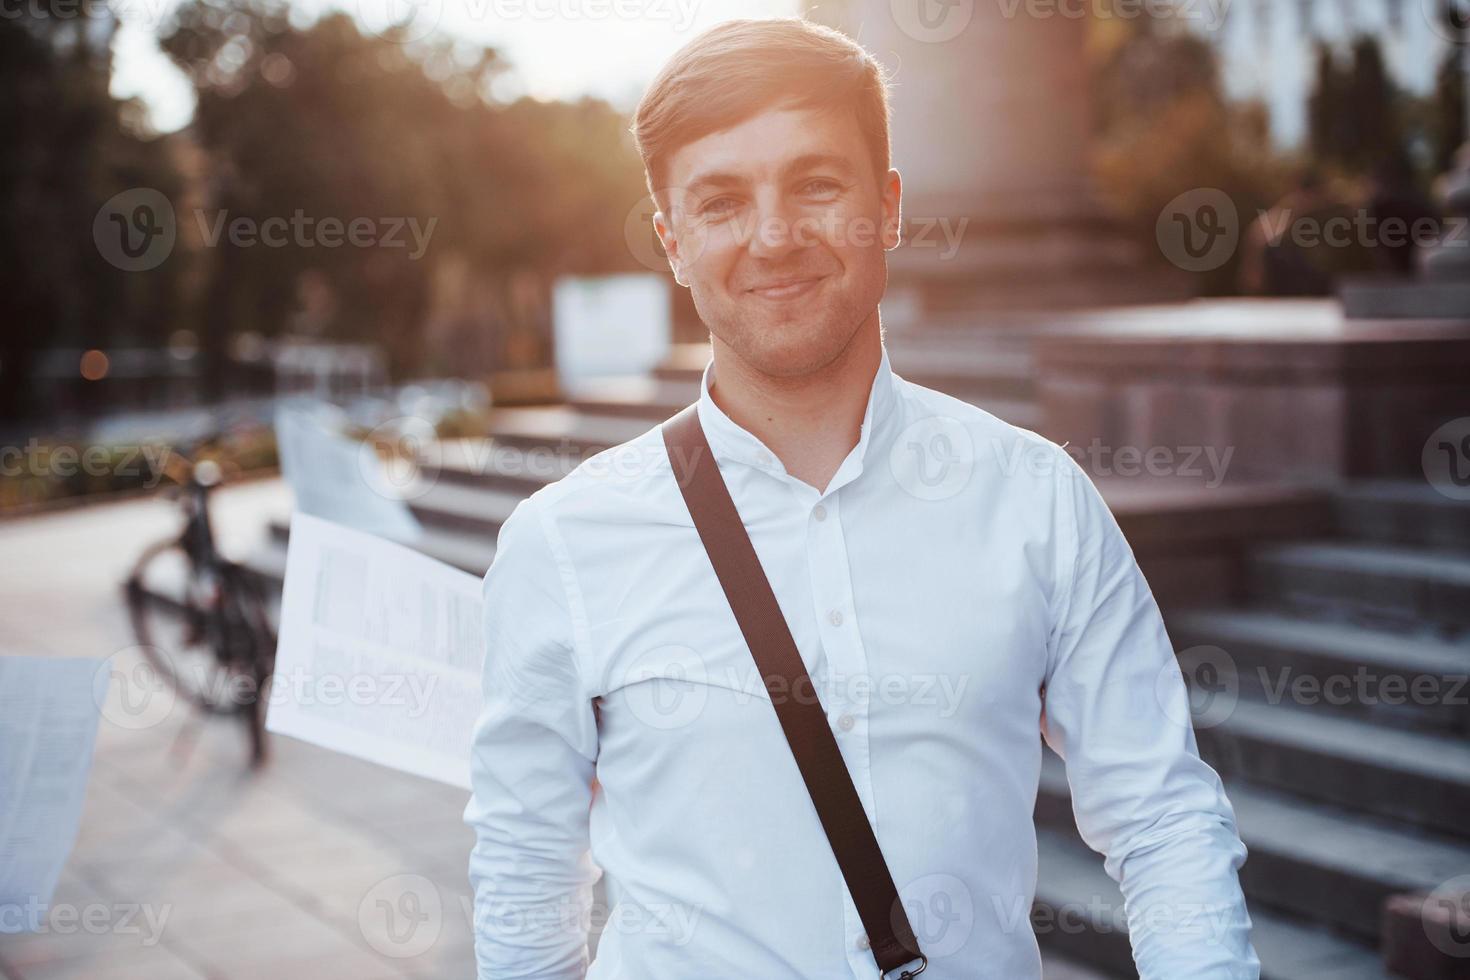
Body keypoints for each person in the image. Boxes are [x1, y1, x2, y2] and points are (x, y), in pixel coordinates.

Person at [465, 17, 1258, 979]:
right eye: (721, 202)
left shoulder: (1036, 499)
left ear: (887, 208)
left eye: (816, 184)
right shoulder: (565, 542)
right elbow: (525, 878)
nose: (774, 237)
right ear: (672, 243)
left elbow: (1164, 818)